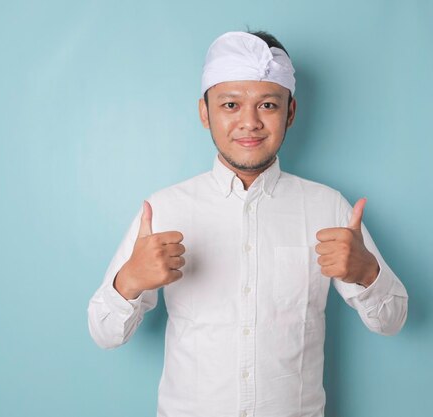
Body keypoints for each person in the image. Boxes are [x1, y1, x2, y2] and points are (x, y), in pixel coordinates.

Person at [88, 30, 408, 417]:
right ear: (205, 113)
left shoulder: (328, 207)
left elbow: (393, 321)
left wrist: (367, 273)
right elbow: (105, 333)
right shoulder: (164, 209)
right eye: (230, 105)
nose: (250, 122)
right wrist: (130, 282)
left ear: (290, 112)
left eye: (268, 105)